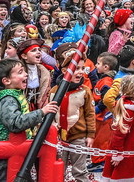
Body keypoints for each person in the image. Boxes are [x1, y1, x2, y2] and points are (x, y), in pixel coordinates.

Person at [0, 58, 58, 181]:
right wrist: (41, 112)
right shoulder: (7, 98)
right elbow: (15, 123)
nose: (26, 74)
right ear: (6, 80)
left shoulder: (14, 94)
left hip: (14, 151)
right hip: (7, 154)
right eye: (20, 72)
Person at [50, 54, 96, 182]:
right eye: (77, 68)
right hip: (60, 137)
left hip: (78, 136)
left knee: (80, 170)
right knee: (59, 168)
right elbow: (51, 112)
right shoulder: (54, 91)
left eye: (82, 68)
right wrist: (53, 125)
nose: (81, 72)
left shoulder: (85, 91)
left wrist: (91, 135)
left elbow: (90, 114)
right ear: (65, 71)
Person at [101, 74, 134, 182]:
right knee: (124, 176)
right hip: (125, 150)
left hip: (130, 147)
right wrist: (117, 154)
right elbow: (118, 135)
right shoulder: (130, 111)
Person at [89, 52, 118, 172]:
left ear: (106, 67)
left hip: (103, 117)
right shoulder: (103, 79)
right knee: (98, 139)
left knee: (101, 141)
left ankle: (100, 161)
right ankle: (97, 160)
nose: (96, 65)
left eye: (98, 63)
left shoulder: (106, 82)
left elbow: (105, 100)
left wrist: (96, 110)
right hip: (100, 117)